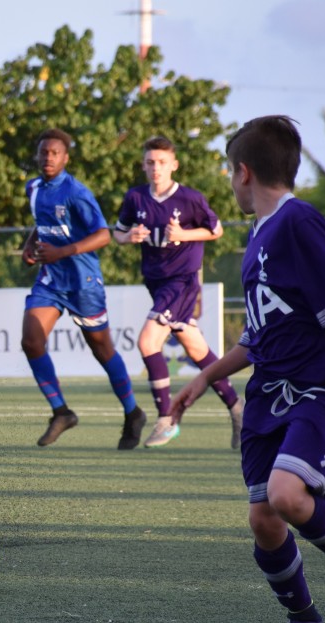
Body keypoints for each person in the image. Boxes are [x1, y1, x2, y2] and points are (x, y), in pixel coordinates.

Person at [170, 116, 325, 623]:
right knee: (264, 520)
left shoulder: (297, 221)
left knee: (286, 495)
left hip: (313, 390)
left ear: (243, 172)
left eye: (228, 170)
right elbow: (257, 336)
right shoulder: (260, 234)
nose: (228, 180)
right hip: (268, 393)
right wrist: (205, 376)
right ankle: (305, 622)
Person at [113, 136, 243, 449]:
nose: (155, 168)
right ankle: (239, 410)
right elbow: (116, 233)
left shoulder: (189, 198)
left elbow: (216, 230)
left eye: (161, 162)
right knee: (198, 351)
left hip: (182, 282)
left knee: (147, 341)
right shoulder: (136, 198)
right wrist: (128, 236)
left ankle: (166, 419)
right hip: (156, 284)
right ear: (143, 165)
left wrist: (184, 234)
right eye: (149, 162)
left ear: (174, 165)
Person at [21, 129, 146, 450]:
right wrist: (30, 244)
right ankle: (61, 412)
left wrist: (62, 252)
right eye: (43, 152)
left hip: (83, 283)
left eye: (54, 153)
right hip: (51, 280)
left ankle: (133, 413)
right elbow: (43, 221)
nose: (48, 157)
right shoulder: (33, 187)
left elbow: (103, 235)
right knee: (31, 340)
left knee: (102, 350)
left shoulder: (76, 192)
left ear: (65, 158)